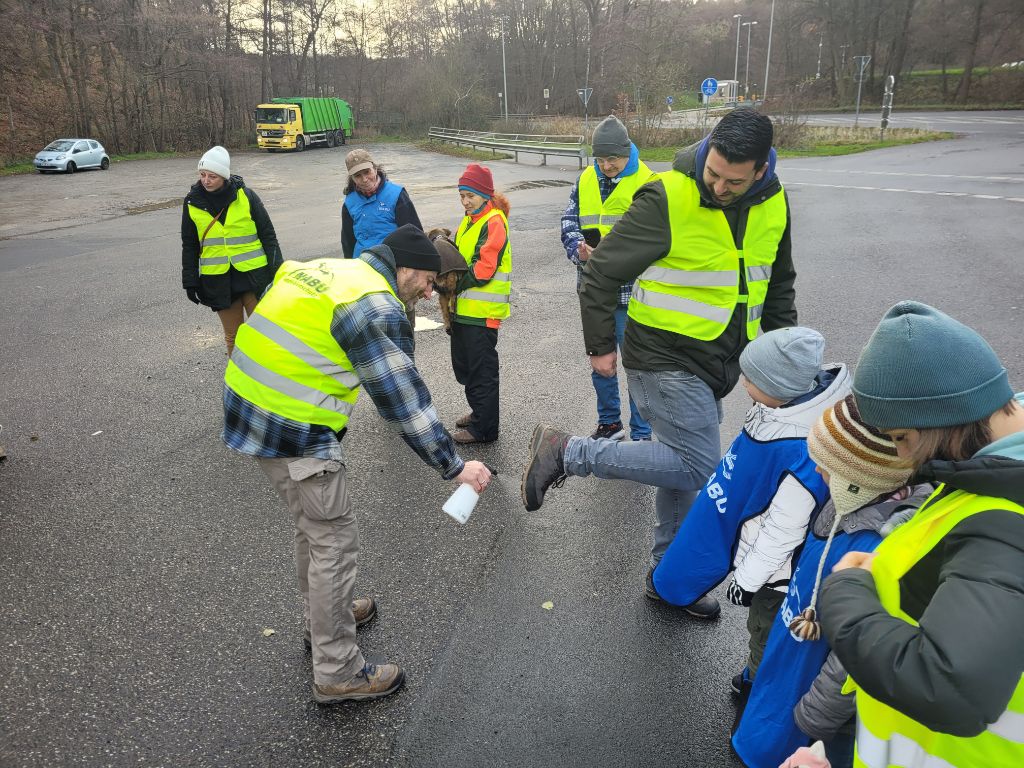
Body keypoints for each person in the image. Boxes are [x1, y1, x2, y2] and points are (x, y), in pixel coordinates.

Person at [522, 108, 797, 609]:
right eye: (712, 172)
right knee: (697, 466)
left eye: (733, 180)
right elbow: (601, 271)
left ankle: (667, 575)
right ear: (708, 148)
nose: (717, 186)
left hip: (718, 361)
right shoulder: (668, 195)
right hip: (662, 357)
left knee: (676, 462)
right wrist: (600, 347)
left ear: (761, 171)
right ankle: (566, 452)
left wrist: (786, 366)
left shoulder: (773, 201)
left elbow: (777, 285)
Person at [221, 224, 492, 704]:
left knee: (313, 529)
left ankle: (325, 617)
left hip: (250, 406)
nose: (431, 294)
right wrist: (454, 467)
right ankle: (338, 671)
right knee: (333, 541)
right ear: (405, 267)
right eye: (429, 281)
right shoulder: (374, 305)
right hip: (293, 426)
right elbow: (401, 400)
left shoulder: (334, 269)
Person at [819, 301, 1024, 767]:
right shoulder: (993, 472)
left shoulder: (1005, 526)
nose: (902, 456)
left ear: (925, 426)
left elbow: (951, 687)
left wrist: (845, 596)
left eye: (896, 438)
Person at [732, 394, 931, 768]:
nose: (817, 472)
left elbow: (858, 653)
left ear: (859, 479)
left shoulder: (879, 548)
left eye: (826, 466)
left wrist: (816, 716)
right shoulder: (849, 501)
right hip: (793, 652)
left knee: (805, 749)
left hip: (819, 697)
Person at [651, 328, 849, 629]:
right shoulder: (781, 407)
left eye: (751, 378)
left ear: (778, 388)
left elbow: (783, 530)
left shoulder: (801, 453)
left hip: (775, 577)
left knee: (764, 631)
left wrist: (746, 580)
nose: (743, 382)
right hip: (740, 519)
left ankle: (755, 676)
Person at [560, 115, 653, 442]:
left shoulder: (648, 181)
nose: (606, 165)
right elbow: (569, 221)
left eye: (612, 158)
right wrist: (578, 249)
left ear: (626, 152)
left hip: (635, 295)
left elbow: (654, 238)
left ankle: (642, 433)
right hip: (595, 292)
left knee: (638, 368)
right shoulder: (585, 179)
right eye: (600, 159)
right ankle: (610, 424)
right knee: (601, 363)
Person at [181, 145, 283, 354]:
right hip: (219, 281)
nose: (206, 180)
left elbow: (268, 235)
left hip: (255, 276)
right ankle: (239, 384)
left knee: (263, 333)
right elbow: (189, 244)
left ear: (224, 177)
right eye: (203, 175)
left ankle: (266, 381)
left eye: (212, 176)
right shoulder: (192, 202)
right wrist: (190, 281)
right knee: (233, 337)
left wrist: (278, 271)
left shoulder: (246, 196)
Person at [449, 163, 511, 445]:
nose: (465, 200)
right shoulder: (469, 219)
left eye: (470, 195)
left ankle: (484, 430)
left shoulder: (494, 221)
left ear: (485, 194)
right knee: (466, 367)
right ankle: (478, 414)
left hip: (482, 314)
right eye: (462, 195)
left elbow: (484, 268)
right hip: (464, 312)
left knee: (482, 372)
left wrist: (450, 284)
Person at [340, 149, 423, 260]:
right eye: (357, 175)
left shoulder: (396, 195)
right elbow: (348, 241)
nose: (364, 179)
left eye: (367, 172)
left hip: (394, 263)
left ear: (375, 168)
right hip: (361, 264)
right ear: (352, 178)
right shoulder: (349, 202)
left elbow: (414, 235)